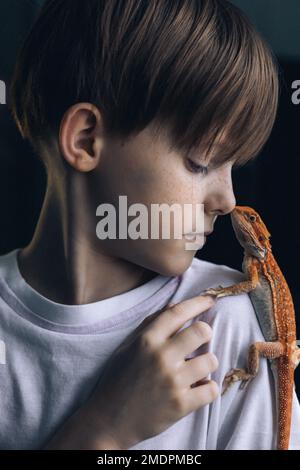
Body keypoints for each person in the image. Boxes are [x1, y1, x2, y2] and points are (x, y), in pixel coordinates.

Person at [1, 0, 299, 449]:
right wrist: (103, 430)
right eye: (200, 163)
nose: (228, 201)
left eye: (233, 166)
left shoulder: (227, 323)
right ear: (86, 140)